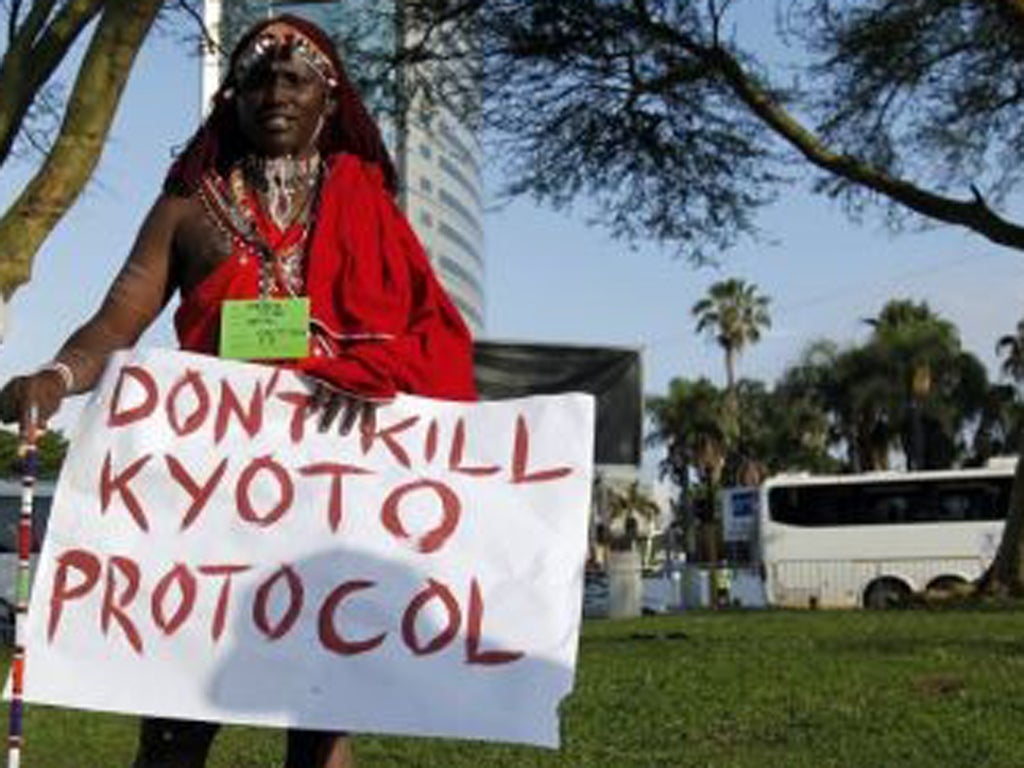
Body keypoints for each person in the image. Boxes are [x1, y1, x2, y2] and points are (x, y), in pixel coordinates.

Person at [0, 14, 477, 768]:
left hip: (329, 495)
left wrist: (369, 378)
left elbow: (429, 340)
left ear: (330, 99)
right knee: (175, 723)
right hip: (211, 500)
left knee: (321, 725)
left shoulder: (367, 206)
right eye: (258, 78)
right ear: (233, 98)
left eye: (297, 79)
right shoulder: (189, 211)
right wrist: (56, 378)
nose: (277, 92)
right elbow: (116, 319)